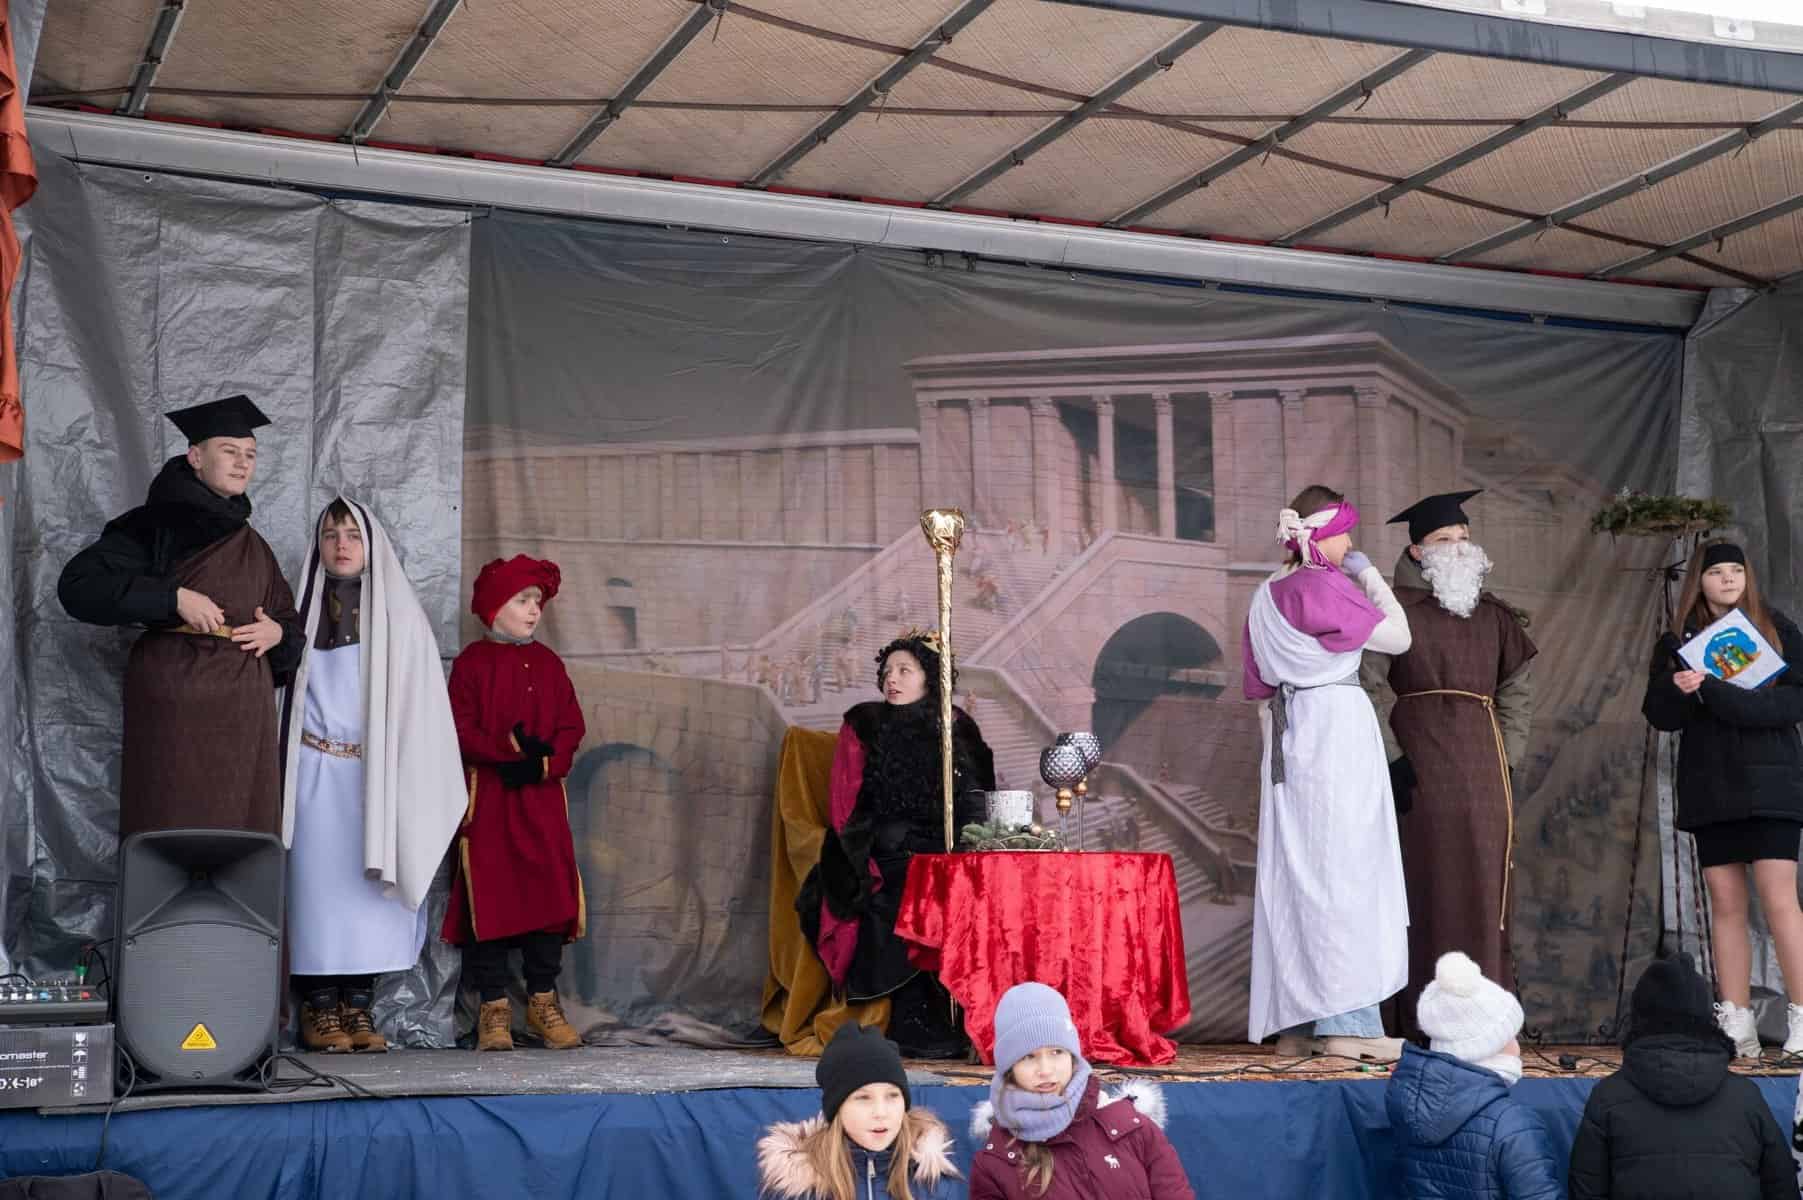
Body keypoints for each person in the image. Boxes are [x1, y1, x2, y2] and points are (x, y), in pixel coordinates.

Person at [58, 395, 305, 836]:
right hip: (174, 709)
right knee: (169, 826)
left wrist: (277, 634)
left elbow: (289, 624)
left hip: (244, 715)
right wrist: (171, 598)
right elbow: (78, 587)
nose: (242, 463)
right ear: (195, 457)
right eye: (229, 451)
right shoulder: (155, 526)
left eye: (250, 454)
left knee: (240, 837)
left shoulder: (253, 544)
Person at [278, 497, 467, 1053]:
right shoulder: (295, 614)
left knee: (369, 894)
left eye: (352, 535)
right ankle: (319, 1008)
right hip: (314, 774)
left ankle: (358, 1007)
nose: (341, 545)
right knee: (315, 891)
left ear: (371, 545)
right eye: (331, 534)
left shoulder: (399, 618)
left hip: (375, 780)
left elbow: (422, 704)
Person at [1242, 484, 1412, 1061]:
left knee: (1299, 873)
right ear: (1321, 537)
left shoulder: (1264, 595)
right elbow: (1399, 637)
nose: (1349, 544)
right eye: (1343, 534)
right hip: (1334, 730)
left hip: (1288, 736)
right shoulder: (1322, 584)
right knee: (1346, 871)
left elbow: (1259, 689)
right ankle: (1350, 1024)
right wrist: (1370, 577)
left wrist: (1276, 757)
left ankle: (1298, 1024)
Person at [1362, 490, 1538, 1035]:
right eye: (1443, 539)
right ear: (1417, 551)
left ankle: (1487, 1019)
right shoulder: (1391, 612)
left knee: (1485, 887)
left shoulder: (1495, 616)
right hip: (1417, 763)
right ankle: (1421, 1018)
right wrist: (1392, 759)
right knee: (1428, 883)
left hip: (1485, 767)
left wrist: (1508, 759)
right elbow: (1369, 686)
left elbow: (1518, 692)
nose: (1458, 547)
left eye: (1464, 538)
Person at [796, 629, 995, 1059]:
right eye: (888, 671)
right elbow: (845, 802)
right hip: (882, 846)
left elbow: (979, 795)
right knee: (903, 892)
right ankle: (914, 1016)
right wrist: (862, 854)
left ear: (931, 678)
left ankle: (966, 1012)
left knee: (972, 891)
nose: (892, 679)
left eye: (905, 670)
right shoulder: (863, 722)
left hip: (945, 847)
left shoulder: (957, 725)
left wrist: (970, 845)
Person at [1642, 540, 1803, 1058]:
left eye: (1737, 570)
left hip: (1774, 784)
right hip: (1711, 785)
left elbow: (1791, 703)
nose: (1729, 578)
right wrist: (1680, 688)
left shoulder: (1776, 629)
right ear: (1699, 581)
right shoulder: (1677, 642)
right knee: (1726, 905)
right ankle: (1736, 1023)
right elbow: (1660, 715)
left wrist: (1719, 694)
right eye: (1717, 572)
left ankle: (1802, 1017)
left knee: (1780, 900)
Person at [442, 555, 587, 1052]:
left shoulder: (549, 664)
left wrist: (545, 763)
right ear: (494, 606)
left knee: (548, 899)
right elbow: (459, 728)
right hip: (490, 801)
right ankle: (494, 1008)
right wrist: (505, 751)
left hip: (541, 802)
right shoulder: (471, 664)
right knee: (492, 898)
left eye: (537, 602)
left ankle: (543, 1003)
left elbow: (571, 725)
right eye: (522, 600)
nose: (533, 610)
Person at [1568, 953, 1797, 1200]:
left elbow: (1586, 1191)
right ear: (1708, 1018)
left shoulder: (1608, 1097)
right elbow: (1783, 1189)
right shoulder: (1746, 1096)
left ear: (1637, 1019)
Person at [967, 982, 1192, 1199]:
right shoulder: (994, 1161)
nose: (1045, 1070)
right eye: (1028, 1057)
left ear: (1072, 1056)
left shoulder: (1134, 1127)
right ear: (1009, 1068)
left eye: (1056, 1052)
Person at [1386, 951, 1562, 1200]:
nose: (1517, 1046)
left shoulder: (1406, 1105)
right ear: (1488, 1047)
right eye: (1510, 1035)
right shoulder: (1513, 1124)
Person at [757, 1023, 960, 1200]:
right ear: (838, 1108)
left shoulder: (933, 1180)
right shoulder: (796, 1185)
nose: (881, 1112)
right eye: (863, 1098)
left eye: (892, 1096)